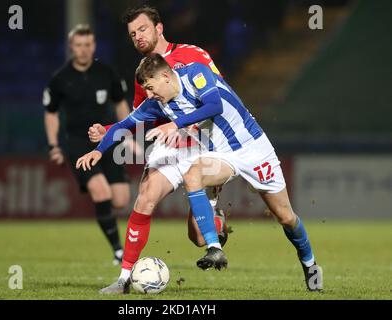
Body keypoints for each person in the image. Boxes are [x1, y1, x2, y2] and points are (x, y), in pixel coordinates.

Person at [77, 53, 324, 292]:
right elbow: (124, 125)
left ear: (165, 76)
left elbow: (213, 106)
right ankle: (214, 248)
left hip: (253, 148)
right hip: (219, 154)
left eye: (151, 88)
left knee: (286, 217)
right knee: (192, 175)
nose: (149, 95)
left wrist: (174, 125)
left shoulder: (195, 73)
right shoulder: (157, 104)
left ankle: (310, 265)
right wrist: (99, 151)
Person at [84, 5, 229, 294]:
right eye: (132, 33)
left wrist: (191, 128)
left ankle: (216, 224)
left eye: (142, 29)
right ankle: (124, 279)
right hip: (168, 145)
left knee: (198, 238)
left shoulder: (192, 55)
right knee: (144, 199)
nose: (137, 36)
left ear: (159, 28)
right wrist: (109, 132)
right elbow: (141, 116)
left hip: (201, 143)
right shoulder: (144, 72)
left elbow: (221, 99)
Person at [43, 24, 131, 265]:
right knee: (100, 190)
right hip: (77, 143)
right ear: (72, 47)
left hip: (107, 138)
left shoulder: (107, 73)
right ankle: (118, 251)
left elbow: (121, 103)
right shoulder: (60, 79)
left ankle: (116, 244)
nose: (83, 50)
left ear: (94, 46)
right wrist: (54, 146)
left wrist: (130, 135)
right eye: (79, 45)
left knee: (121, 199)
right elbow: (50, 113)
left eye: (88, 45)